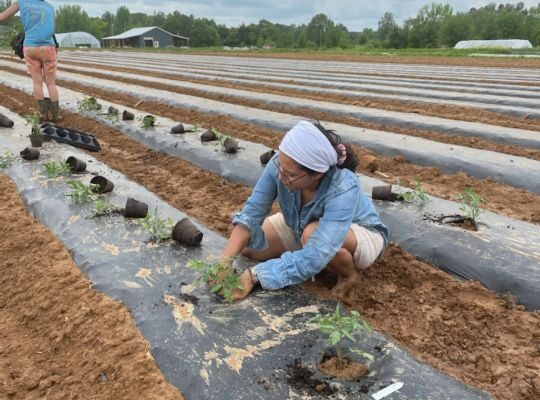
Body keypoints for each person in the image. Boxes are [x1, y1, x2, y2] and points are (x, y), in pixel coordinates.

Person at [222, 120, 389, 300]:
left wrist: (255, 276)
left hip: (358, 234)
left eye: (291, 175)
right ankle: (303, 260)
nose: (281, 177)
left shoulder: (343, 186)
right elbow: (251, 214)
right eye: (280, 167)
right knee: (250, 245)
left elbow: (317, 252)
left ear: (317, 173)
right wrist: (224, 262)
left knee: (311, 236)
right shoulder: (280, 164)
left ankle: (348, 275)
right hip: (301, 225)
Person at [0, 0, 59, 121]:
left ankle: (43, 114)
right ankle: (56, 115)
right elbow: (53, 29)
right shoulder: (50, 7)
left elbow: (1, 17)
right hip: (48, 47)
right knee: (51, 83)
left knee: (37, 82)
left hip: (30, 46)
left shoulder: (21, 3)